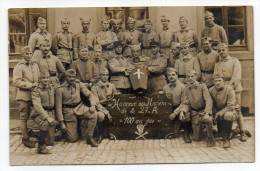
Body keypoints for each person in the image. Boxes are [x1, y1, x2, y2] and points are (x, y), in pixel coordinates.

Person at [55, 69, 99, 146]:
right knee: (72, 139)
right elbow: (58, 107)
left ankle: (90, 137)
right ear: (65, 77)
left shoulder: (79, 84)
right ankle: (63, 132)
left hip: (80, 107)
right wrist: (61, 122)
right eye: (69, 77)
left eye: (73, 77)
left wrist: (92, 105)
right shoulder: (60, 89)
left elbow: (90, 94)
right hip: (68, 112)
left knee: (93, 114)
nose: (72, 79)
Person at [214, 43, 247, 142]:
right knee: (226, 109)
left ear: (227, 50)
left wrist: (228, 88)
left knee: (237, 109)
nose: (221, 52)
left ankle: (242, 131)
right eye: (219, 51)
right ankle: (229, 131)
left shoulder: (234, 61)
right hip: (222, 88)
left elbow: (236, 77)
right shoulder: (217, 63)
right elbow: (216, 76)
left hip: (234, 89)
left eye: (223, 50)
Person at [13, 46, 40, 148]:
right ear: (22, 55)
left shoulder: (34, 65)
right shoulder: (19, 67)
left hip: (34, 95)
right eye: (26, 54)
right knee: (24, 117)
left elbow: (38, 78)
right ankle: (25, 138)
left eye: (30, 54)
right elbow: (16, 82)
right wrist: (30, 85)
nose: (29, 56)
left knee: (36, 113)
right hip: (23, 96)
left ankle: (31, 132)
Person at [180, 70, 215, 147]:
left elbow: (209, 100)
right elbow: (186, 103)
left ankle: (210, 138)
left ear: (195, 76)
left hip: (203, 112)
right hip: (194, 114)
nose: (190, 78)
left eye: (192, 76)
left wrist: (207, 113)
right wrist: (182, 111)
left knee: (208, 119)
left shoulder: (202, 86)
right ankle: (206, 130)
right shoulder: (185, 88)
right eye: (188, 76)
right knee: (196, 138)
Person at [162, 68, 191, 143]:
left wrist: (175, 113)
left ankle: (186, 134)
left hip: (179, 109)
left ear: (177, 75)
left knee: (185, 116)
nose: (171, 77)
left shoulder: (183, 87)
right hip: (169, 109)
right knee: (173, 133)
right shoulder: (165, 87)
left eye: (173, 75)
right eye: (169, 75)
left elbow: (184, 103)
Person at [209, 74, 238, 148]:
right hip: (218, 112)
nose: (218, 83)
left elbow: (231, 106)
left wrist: (220, 113)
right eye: (216, 81)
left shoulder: (229, 90)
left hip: (231, 111)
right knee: (220, 132)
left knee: (227, 115)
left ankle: (226, 139)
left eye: (220, 81)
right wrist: (213, 113)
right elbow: (211, 104)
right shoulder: (211, 90)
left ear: (224, 82)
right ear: (213, 82)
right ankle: (236, 131)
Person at [31, 71, 56, 154]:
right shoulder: (36, 90)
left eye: (47, 77)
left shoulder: (51, 87)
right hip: (38, 114)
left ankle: (34, 134)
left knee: (50, 142)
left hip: (50, 112)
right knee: (45, 124)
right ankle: (40, 147)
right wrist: (47, 117)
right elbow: (37, 106)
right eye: (43, 78)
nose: (46, 80)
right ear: (40, 79)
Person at [91, 68, 117, 143]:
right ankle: (100, 134)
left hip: (111, 106)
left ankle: (113, 132)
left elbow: (116, 97)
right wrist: (105, 111)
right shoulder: (94, 87)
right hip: (100, 107)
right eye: (103, 75)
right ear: (99, 76)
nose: (105, 77)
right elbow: (96, 102)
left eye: (107, 75)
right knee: (100, 116)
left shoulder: (112, 86)